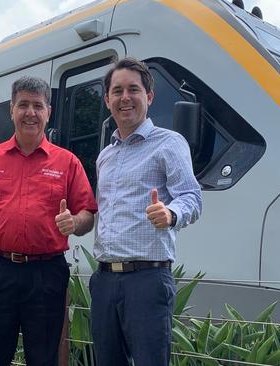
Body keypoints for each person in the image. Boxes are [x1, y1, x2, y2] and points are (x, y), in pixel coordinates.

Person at [0, 76, 97, 366]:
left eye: (38, 105)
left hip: (47, 274)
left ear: (48, 112)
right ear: (12, 110)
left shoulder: (68, 162)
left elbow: (88, 215)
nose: (30, 112)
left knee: (44, 359)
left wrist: (75, 222)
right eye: (23, 105)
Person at [91, 57, 202, 365]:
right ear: (107, 99)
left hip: (148, 280)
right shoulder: (105, 157)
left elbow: (192, 196)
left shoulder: (169, 143)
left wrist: (170, 214)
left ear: (149, 97)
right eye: (117, 91)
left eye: (133, 89)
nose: (124, 98)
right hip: (104, 281)